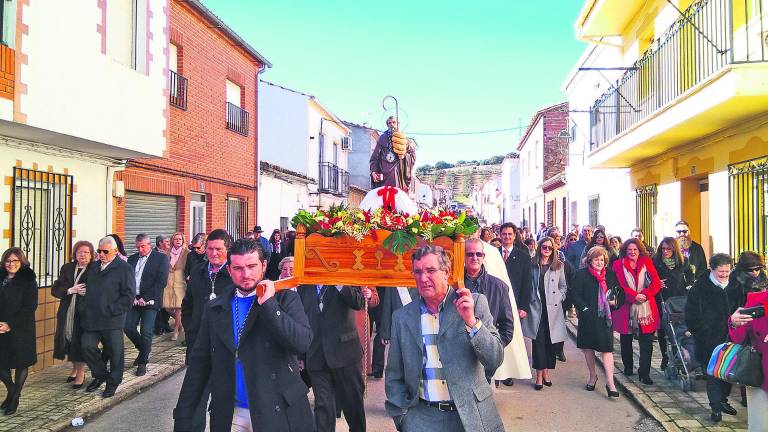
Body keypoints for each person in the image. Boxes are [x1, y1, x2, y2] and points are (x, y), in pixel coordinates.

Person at [173, 238, 313, 432]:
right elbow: (199, 364)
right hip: (232, 412)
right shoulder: (216, 308)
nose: (245, 274)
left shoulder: (285, 298)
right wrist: (184, 415)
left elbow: (301, 343)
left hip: (278, 409)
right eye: (238, 268)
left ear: (263, 266)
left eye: (251, 266)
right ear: (229, 270)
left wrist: (269, 304)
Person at [384, 245, 504, 432]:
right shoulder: (402, 317)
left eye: (430, 270)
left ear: (446, 272)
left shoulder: (474, 303)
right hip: (421, 419)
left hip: (471, 416)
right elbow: (394, 374)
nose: (423, 278)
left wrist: (472, 322)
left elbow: (494, 359)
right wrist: (403, 418)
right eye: (418, 272)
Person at [180, 228, 234, 431]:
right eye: (209, 248)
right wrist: (191, 329)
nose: (213, 253)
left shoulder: (234, 274)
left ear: (227, 249)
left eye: (218, 249)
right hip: (198, 344)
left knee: (222, 401)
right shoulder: (198, 270)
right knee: (195, 398)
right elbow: (188, 304)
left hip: (225, 347)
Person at [297, 282, 368, 432]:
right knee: (323, 407)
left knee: (353, 404)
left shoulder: (345, 278)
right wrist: (301, 355)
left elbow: (358, 303)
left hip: (345, 353)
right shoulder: (304, 285)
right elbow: (301, 320)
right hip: (315, 355)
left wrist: (339, 283)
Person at [686, 253, 739, 422]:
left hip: (731, 336)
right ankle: (715, 407)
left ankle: (723, 400)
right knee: (713, 373)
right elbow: (691, 313)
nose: (724, 275)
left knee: (728, 371)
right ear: (712, 269)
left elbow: (742, 307)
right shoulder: (700, 287)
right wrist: (701, 330)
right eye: (720, 271)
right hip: (708, 338)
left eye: (727, 271)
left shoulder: (736, 285)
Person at [80, 236, 135, 398]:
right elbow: (86, 288)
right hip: (92, 318)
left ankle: (113, 382)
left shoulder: (124, 268)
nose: (101, 254)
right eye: (99, 251)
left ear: (115, 252)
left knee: (115, 353)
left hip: (112, 319)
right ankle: (101, 375)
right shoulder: (94, 266)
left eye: (105, 251)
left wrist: (112, 309)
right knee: (87, 346)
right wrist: (84, 307)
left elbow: (129, 296)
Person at [570, 246, 623, 398]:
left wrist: (615, 302)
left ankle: (610, 383)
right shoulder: (582, 275)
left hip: (605, 318)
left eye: (602, 260)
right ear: (590, 261)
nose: (599, 262)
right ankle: (593, 376)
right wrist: (584, 309)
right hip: (588, 317)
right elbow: (574, 294)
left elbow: (619, 293)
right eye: (596, 259)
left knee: (607, 349)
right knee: (588, 348)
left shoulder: (611, 275)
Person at [463, 238, 515, 383]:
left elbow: (507, 327)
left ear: (483, 257)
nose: (474, 258)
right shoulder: (451, 286)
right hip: (459, 355)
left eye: (478, 254)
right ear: (463, 256)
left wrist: (493, 348)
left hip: (485, 360)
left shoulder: (499, 287)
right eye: (470, 254)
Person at [612, 238, 661, 384]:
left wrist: (644, 295)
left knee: (647, 342)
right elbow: (618, 286)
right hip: (626, 307)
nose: (632, 252)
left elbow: (656, 283)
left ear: (640, 251)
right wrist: (634, 296)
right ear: (625, 251)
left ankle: (644, 372)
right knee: (626, 339)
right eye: (629, 250)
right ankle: (628, 367)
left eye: (635, 250)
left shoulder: (647, 262)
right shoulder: (617, 265)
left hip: (647, 308)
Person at [521, 237, 568, 390]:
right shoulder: (532, 264)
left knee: (550, 342)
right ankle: (539, 376)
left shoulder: (558, 265)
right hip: (537, 307)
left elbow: (563, 287)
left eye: (550, 247)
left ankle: (546, 372)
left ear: (553, 249)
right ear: (540, 247)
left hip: (552, 309)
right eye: (544, 247)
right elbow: (526, 285)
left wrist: (559, 297)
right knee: (538, 342)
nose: (547, 250)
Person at [51, 241, 94, 389]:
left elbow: (101, 290)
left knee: (79, 342)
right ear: (75, 254)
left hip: (84, 313)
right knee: (68, 340)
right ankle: (75, 368)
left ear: (91, 254)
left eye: (86, 252)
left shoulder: (95, 269)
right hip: (67, 311)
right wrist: (70, 290)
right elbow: (55, 289)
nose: (82, 255)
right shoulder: (67, 268)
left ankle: (81, 372)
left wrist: (89, 293)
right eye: (79, 252)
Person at [126, 234, 170, 376]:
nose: (140, 249)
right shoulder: (132, 259)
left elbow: (161, 281)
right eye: (138, 247)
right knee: (127, 327)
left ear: (149, 245)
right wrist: (131, 296)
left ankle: (143, 361)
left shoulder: (161, 258)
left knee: (146, 331)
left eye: (143, 246)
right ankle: (143, 349)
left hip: (150, 300)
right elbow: (127, 280)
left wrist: (145, 298)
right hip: (134, 299)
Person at [0, 248, 37, 415]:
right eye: (8, 261)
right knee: (2, 365)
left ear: (22, 262)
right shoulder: (1, 277)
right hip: (1, 327)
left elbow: (30, 307)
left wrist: (10, 324)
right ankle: (13, 391)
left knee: (21, 363)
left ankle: (13, 399)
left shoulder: (29, 280)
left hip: (21, 327)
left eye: (15, 261)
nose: (11, 264)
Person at [728, 286, 768, 431]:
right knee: (759, 427)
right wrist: (734, 322)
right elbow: (739, 338)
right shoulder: (757, 301)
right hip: (760, 376)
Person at [652, 237, 694, 370]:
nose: (665, 251)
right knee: (663, 328)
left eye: (669, 249)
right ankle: (665, 357)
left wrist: (690, 286)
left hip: (679, 298)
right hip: (662, 298)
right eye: (663, 248)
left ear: (674, 249)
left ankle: (680, 354)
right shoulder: (656, 262)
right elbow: (650, 278)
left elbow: (689, 278)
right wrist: (657, 283)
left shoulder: (683, 261)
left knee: (680, 327)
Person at [370, 116, 416, 193]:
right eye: (389, 123)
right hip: (384, 174)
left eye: (394, 122)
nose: (391, 124)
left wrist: (404, 156)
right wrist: (373, 171)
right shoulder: (382, 138)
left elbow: (412, 156)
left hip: (398, 172)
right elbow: (375, 158)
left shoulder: (404, 139)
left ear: (398, 124)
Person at [498, 222, 533, 322]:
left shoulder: (523, 257)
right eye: (504, 234)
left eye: (510, 234)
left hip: (515, 304)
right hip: (496, 303)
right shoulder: (493, 254)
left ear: (514, 236)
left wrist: (524, 307)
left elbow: (527, 283)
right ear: (500, 235)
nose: (507, 236)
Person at [164, 232, 189, 341]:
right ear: (172, 241)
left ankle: (176, 331)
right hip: (169, 281)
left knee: (179, 306)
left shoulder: (187, 253)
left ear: (183, 241)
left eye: (180, 239)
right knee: (167, 307)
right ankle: (181, 323)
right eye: (176, 239)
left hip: (180, 281)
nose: (178, 241)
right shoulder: (167, 253)